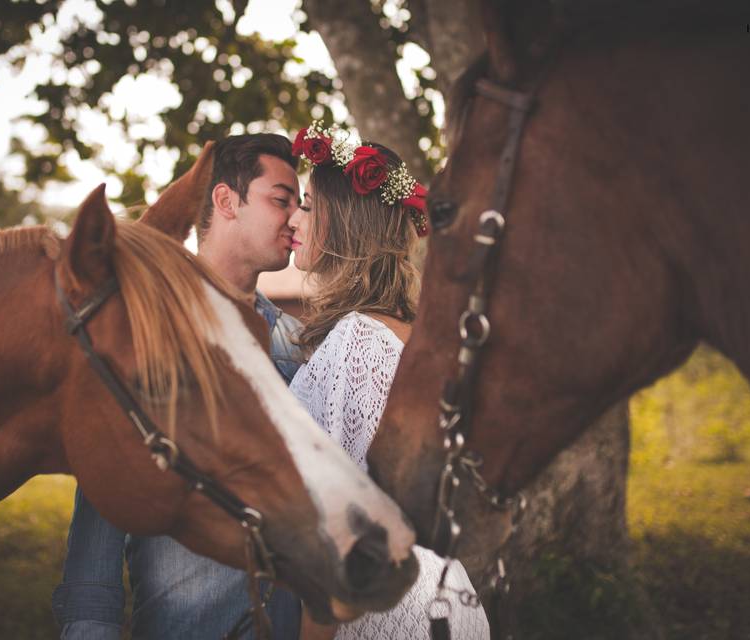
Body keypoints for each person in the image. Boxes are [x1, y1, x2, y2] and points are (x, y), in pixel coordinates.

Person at [51, 133, 305, 640]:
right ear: (225, 200)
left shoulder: (298, 345)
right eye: (281, 200)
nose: (296, 218)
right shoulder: (144, 333)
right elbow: (95, 544)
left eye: (299, 205)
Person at [286, 122, 490, 639]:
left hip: (391, 615)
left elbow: (348, 530)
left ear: (345, 223)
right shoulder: (406, 334)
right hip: (437, 600)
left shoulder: (361, 340)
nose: (294, 219)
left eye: (309, 206)